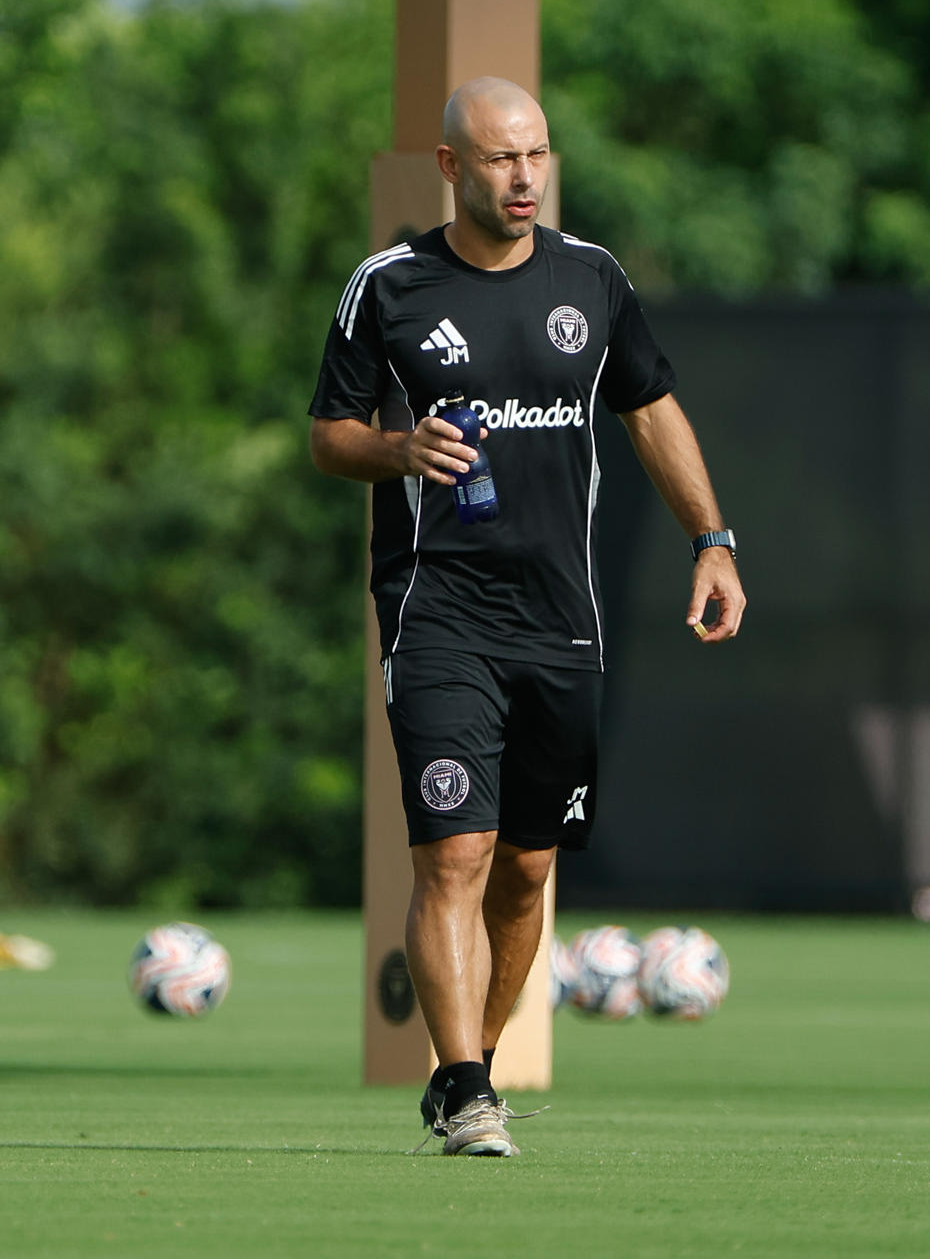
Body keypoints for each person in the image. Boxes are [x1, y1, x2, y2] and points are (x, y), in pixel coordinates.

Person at [307, 77, 745, 1157]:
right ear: (451, 167)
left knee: (529, 866)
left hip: (559, 619)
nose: (524, 177)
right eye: (501, 159)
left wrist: (713, 540)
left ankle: (477, 1061)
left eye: (537, 155)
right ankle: (462, 1088)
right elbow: (329, 435)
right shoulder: (390, 287)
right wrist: (400, 449)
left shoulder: (592, 280)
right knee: (454, 851)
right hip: (437, 610)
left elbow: (650, 408)